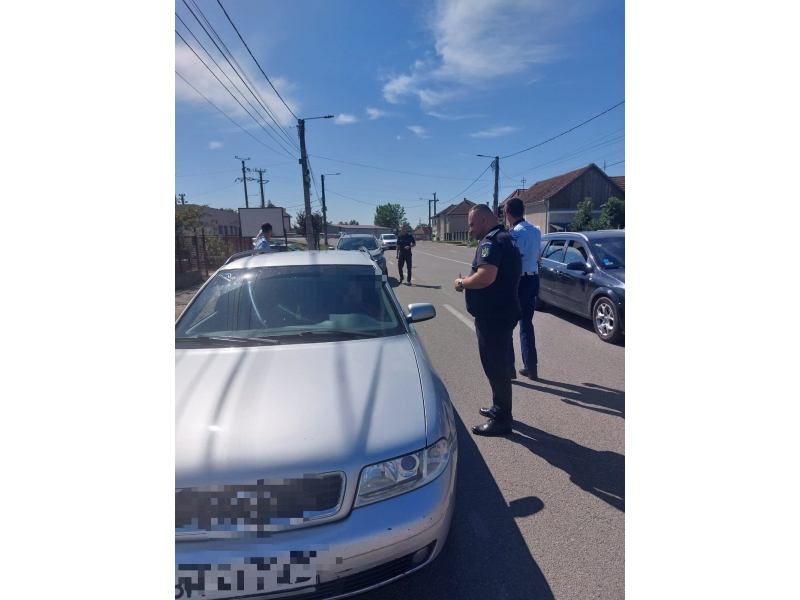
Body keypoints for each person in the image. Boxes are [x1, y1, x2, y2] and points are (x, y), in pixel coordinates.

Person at [454, 204, 521, 436]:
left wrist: (462, 283)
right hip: (503, 311)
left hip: (494, 316)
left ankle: (501, 419)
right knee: (498, 365)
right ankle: (499, 408)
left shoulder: (491, 241)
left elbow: (486, 277)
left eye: (472, 224)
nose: (470, 230)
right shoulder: (506, 237)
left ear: (484, 220)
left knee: (495, 367)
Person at [505, 197, 542, 381]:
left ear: (507, 213)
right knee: (527, 325)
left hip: (520, 281)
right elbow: (538, 257)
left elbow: (515, 260)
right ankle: (531, 367)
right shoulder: (535, 230)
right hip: (533, 278)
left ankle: (509, 368)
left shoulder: (516, 233)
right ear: (524, 211)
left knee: (507, 325)